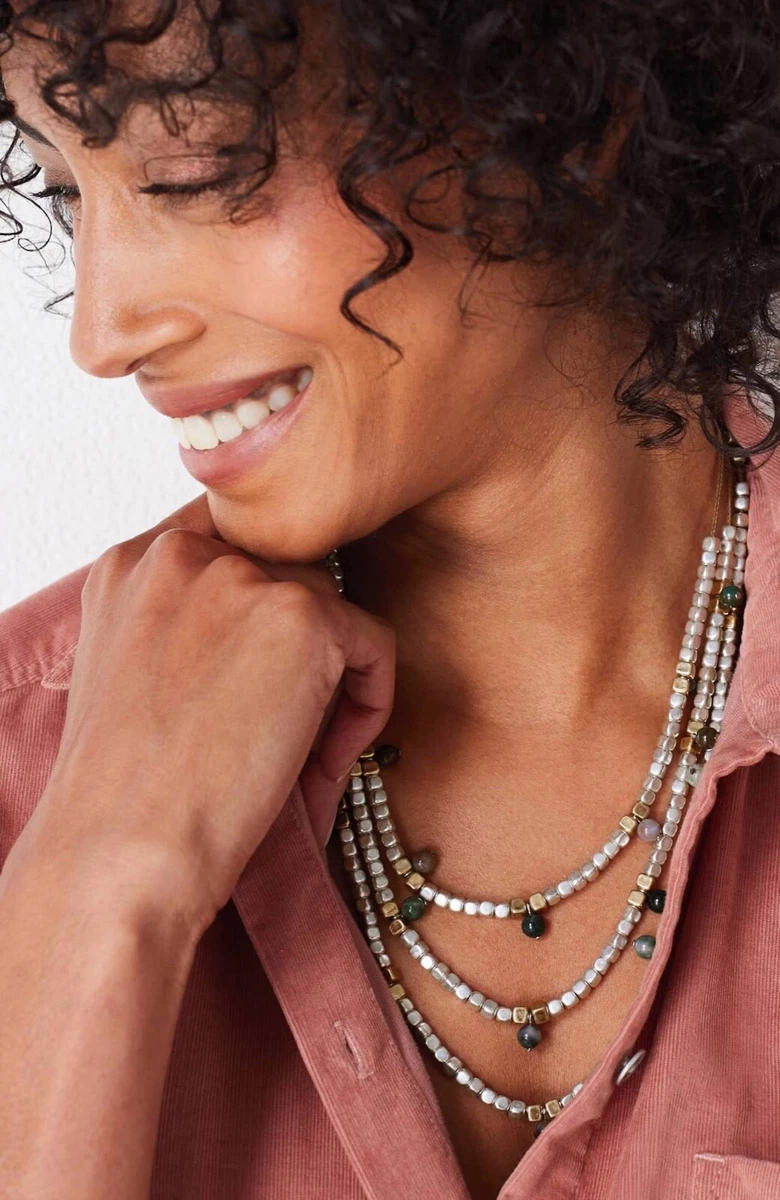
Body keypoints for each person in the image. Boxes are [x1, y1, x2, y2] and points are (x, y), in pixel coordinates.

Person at [1, 2, 779, 1198]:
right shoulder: (25, 770)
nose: (100, 333)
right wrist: (94, 898)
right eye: (64, 191)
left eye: (192, 168)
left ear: (569, 102)